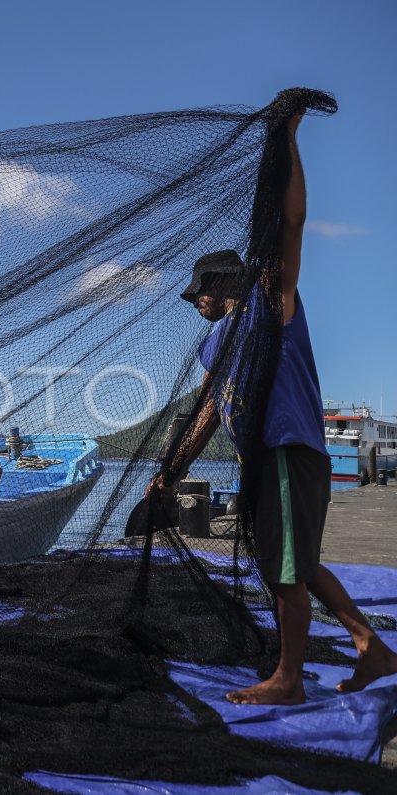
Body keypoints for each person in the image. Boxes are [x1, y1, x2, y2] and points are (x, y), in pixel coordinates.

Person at [148, 111, 397, 705]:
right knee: (296, 561)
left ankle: (287, 681)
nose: (196, 304)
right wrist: (171, 471)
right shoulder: (215, 342)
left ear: (220, 287)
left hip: (288, 449)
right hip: (262, 462)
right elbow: (208, 410)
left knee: (284, 568)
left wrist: (284, 141)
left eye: (199, 293)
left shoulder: (271, 305)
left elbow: (291, 223)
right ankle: (372, 648)